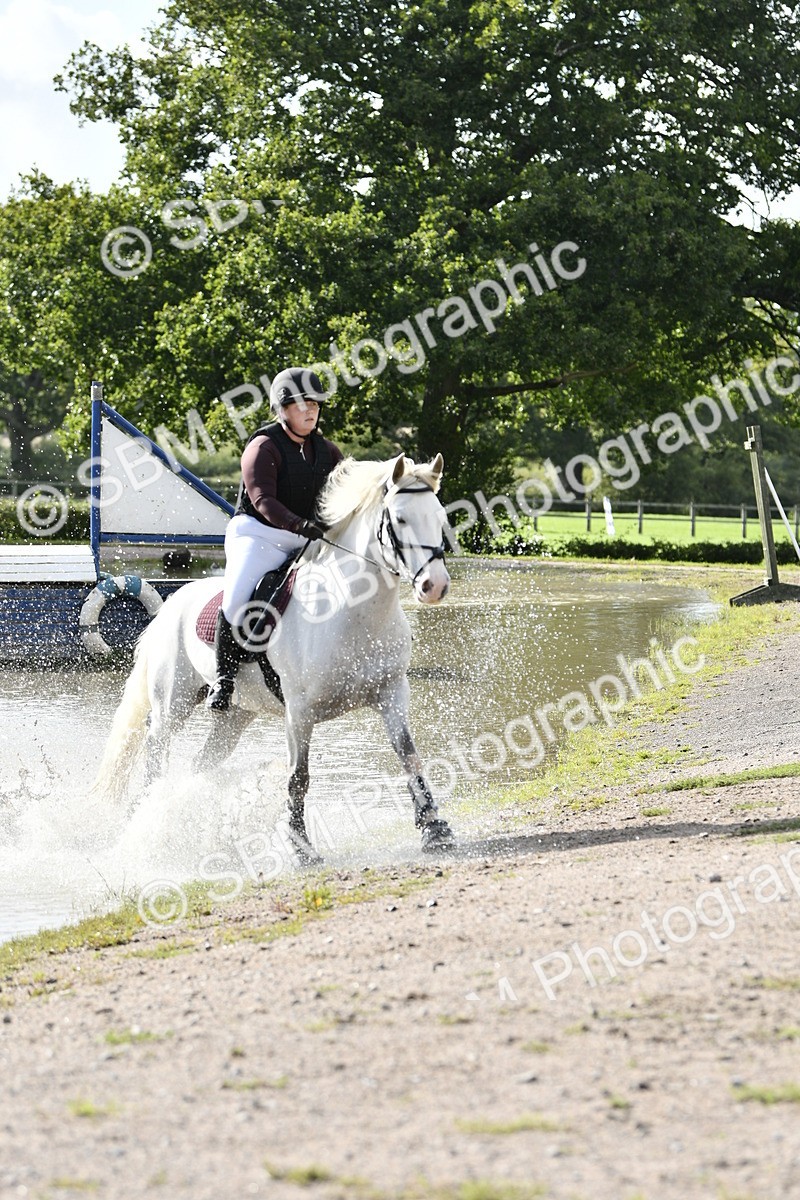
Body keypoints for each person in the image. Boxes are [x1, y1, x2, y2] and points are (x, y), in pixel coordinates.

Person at [207, 367, 344, 711]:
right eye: (301, 404)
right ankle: (223, 679)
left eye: (315, 404)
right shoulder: (263, 446)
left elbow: (348, 493)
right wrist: (300, 525)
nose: (311, 410)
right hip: (258, 535)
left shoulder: (329, 452)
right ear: (283, 409)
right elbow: (263, 501)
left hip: (304, 538)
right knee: (237, 598)